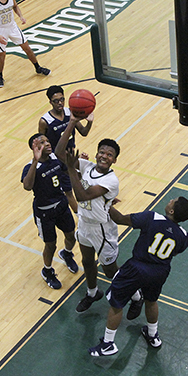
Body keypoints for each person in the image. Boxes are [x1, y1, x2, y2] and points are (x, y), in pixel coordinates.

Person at [88, 197, 188, 356]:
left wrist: (106, 203)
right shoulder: (184, 236)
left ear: (171, 211)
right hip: (160, 272)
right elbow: (176, 252)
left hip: (137, 268)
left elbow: (119, 219)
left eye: (173, 201)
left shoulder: (151, 218)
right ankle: (153, 335)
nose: (170, 200)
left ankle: (108, 343)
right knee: (151, 301)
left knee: (116, 305)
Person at [56, 119, 140, 314]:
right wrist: (72, 123)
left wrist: (71, 169)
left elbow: (82, 195)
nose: (104, 156)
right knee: (86, 261)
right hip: (84, 223)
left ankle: (136, 295)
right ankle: (92, 292)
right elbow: (60, 153)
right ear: (96, 153)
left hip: (102, 228)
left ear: (114, 160)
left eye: (109, 154)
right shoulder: (87, 167)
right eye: (102, 152)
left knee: (110, 271)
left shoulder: (111, 180)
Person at [22, 134, 80, 289]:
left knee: (71, 235)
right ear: (34, 149)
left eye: (47, 140)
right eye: (42, 142)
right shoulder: (30, 167)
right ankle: (47, 271)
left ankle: (67, 253)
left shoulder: (55, 159)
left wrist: (74, 166)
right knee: (50, 244)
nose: (47, 143)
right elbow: (27, 186)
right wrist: (35, 160)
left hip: (61, 205)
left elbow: (67, 172)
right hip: (44, 212)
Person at [0, 0, 50, 88]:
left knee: (27, 48)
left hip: (12, 27)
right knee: (2, 55)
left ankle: (38, 67)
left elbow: (15, 6)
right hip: (0, 29)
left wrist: (21, 16)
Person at [39, 85, 93, 212]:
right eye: (56, 101)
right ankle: (79, 216)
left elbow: (84, 132)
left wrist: (89, 122)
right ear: (50, 102)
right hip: (57, 159)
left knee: (82, 181)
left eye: (62, 99)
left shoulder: (70, 112)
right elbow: (41, 143)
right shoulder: (45, 121)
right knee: (68, 191)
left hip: (70, 156)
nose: (60, 103)